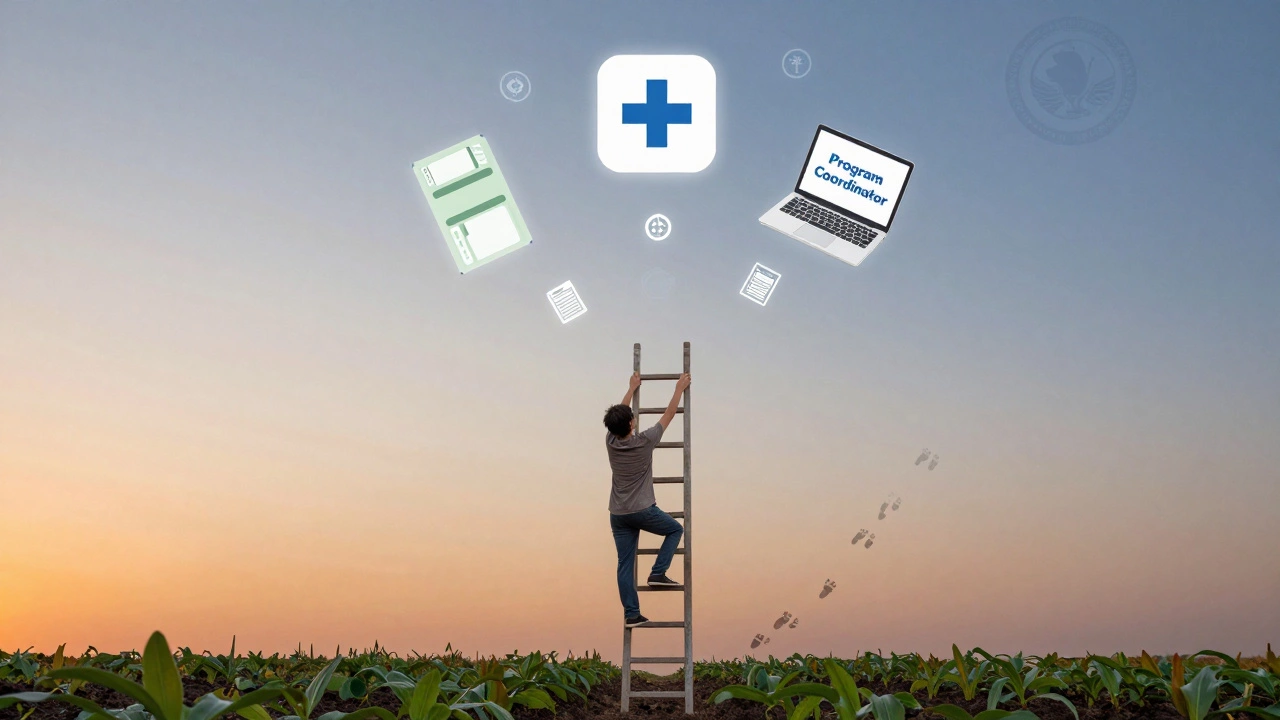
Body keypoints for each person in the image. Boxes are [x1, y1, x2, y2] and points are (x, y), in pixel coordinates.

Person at [604, 370, 691, 628]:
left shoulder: (610, 441)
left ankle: (632, 614)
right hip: (642, 510)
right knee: (676, 529)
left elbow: (620, 411)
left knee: (625, 565)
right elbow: (669, 415)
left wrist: (631, 389)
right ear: (632, 423)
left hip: (618, 514)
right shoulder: (645, 441)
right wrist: (679, 388)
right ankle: (658, 572)